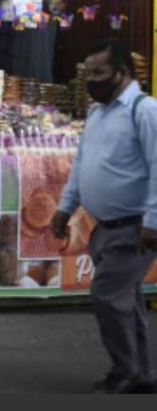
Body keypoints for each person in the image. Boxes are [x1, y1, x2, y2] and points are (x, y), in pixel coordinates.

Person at [52, 39, 157, 394]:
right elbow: (82, 164)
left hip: (133, 227)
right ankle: (141, 374)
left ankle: (124, 372)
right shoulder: (98, 113)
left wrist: (153, 222)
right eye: (88, 73)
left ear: (121, 73)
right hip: (105, 228)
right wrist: (65, 207)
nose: (90, 81)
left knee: (108, 295)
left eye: (98, 73)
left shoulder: (144, 111)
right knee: (126, 300)